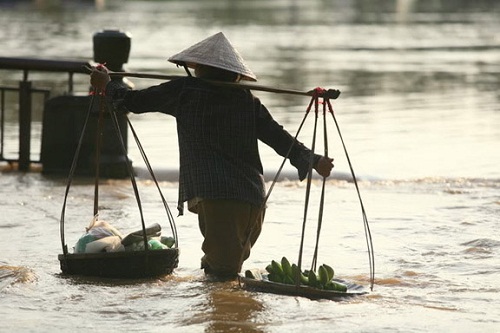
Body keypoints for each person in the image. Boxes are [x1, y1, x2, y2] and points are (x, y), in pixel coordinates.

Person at [90, 32, 334, 280]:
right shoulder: (246, 100)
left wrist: (108, 84)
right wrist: (313, 160)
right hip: (253, 201)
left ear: (199, 70)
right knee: (219, 276)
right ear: (236, 75)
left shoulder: (185, 91)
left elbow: (132, 101)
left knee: (221, 278)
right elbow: (280, 139)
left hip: (220, 201)